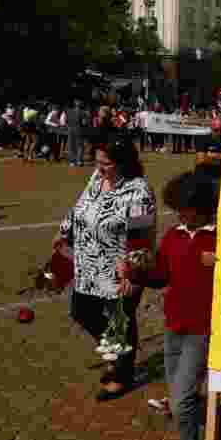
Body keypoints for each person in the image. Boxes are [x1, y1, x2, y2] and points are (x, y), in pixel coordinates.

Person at [120, 170, 221, 440]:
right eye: (177, 209)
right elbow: (162, 275)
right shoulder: (174, 236)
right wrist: (138, 274)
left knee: (180, 401)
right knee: (183, 399)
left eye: (185, 209)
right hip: (174, 325)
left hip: (204, 330)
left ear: (204, 207)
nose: (180, 215)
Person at [54, 137, 156, 400]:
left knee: (120, 323)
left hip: (119, 268)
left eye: (106, 163)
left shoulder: (139, 190)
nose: (100, 168)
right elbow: (80, 207)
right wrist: (65, 232)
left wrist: (132, 273)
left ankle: (122, 376)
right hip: (88, 261)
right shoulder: (96, 179)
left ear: (123, 163)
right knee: (81, 311)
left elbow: (142, 236)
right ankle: (116, 353)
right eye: (97, 161)